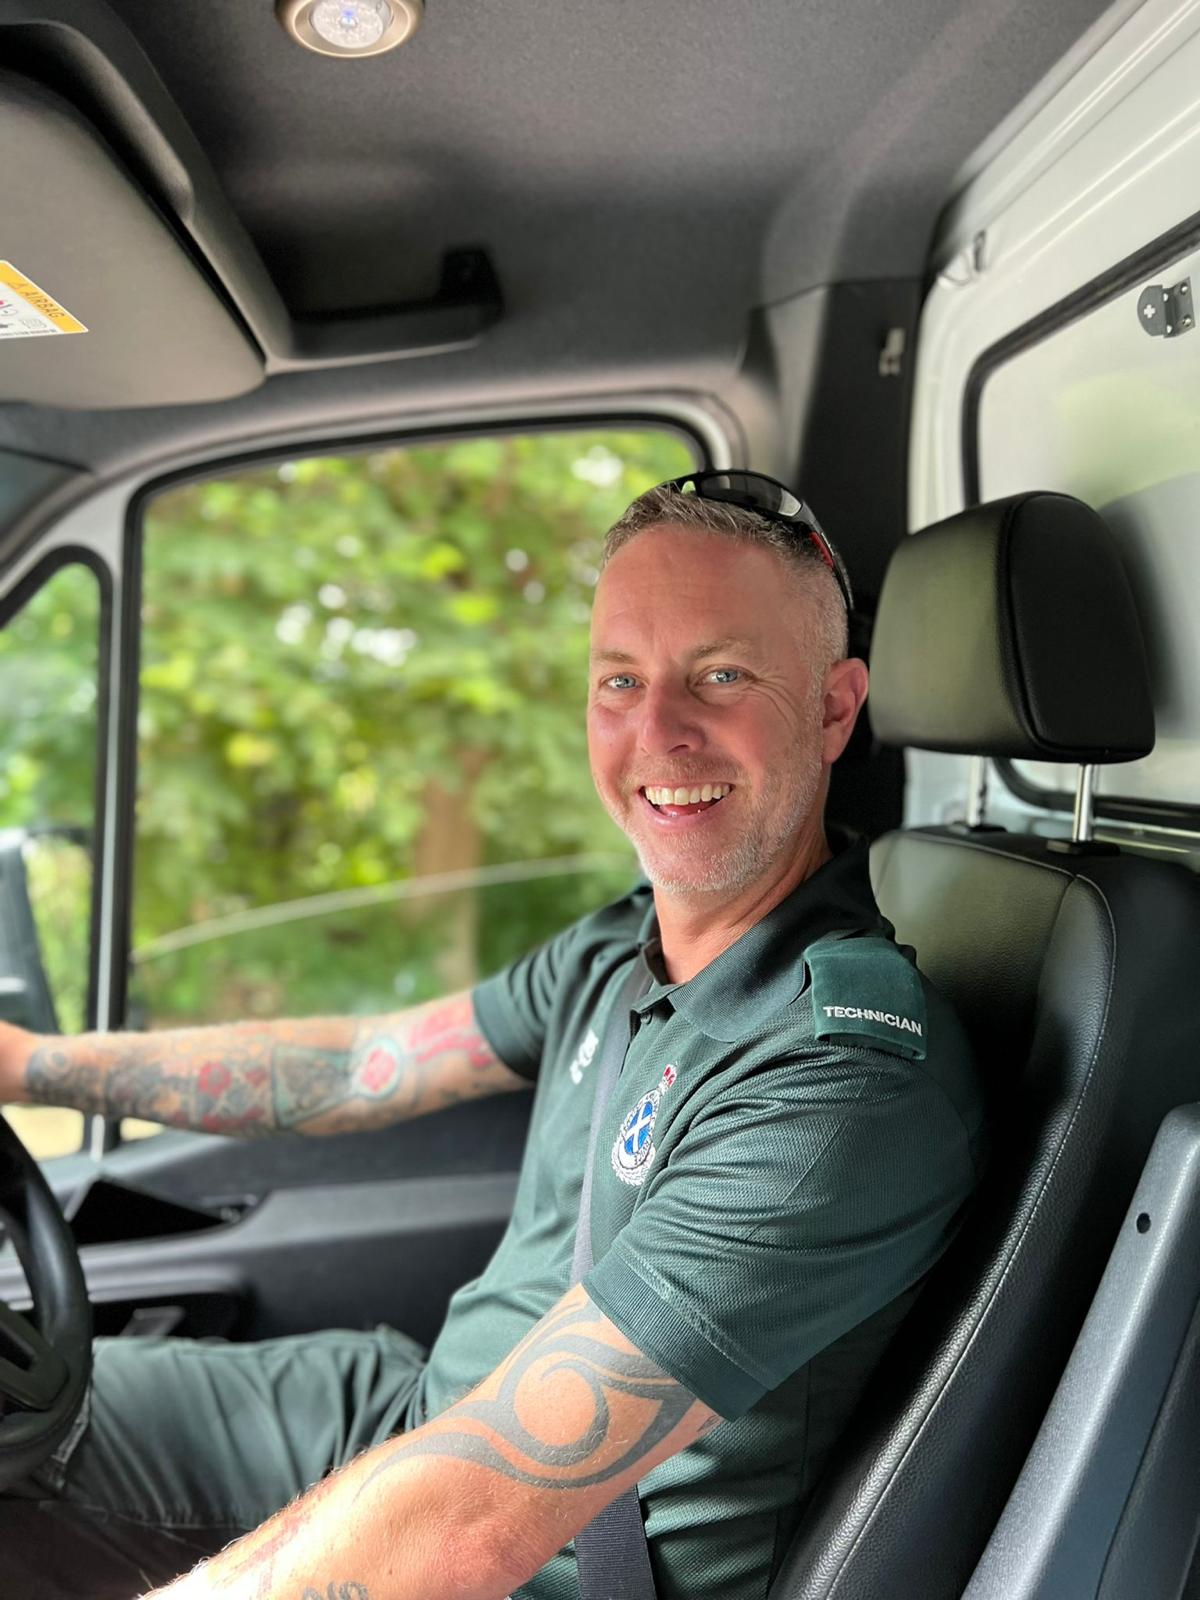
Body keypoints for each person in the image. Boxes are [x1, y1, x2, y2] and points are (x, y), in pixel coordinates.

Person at [0, 471, 985, 1600]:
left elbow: (468, 1528)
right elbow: (354, 1069)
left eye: (720, 675)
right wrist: (28, 1062)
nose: (658, 730)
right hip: (417, 1415)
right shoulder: (620, 946)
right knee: (30, 1412)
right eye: (621, 679)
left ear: (832, 706)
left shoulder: (839, 1076)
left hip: (555, 1559)